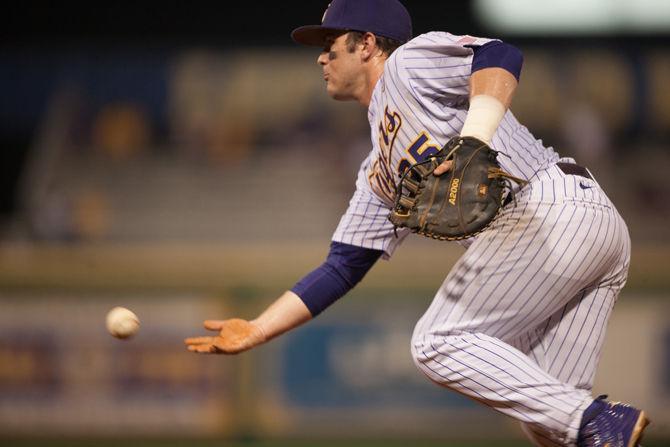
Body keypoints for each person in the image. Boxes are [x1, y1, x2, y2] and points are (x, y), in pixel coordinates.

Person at [185, 1, 649, 445]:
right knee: (553, 428)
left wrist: (474, 140)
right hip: (587, 232)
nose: (321, 57)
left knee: (437, 343)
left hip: (549, 209)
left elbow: (499, 54)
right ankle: (592, 422)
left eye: (332, 42)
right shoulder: (378, 170)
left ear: (366, 44)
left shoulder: (406, 67)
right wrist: (260, 327)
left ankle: (595, 418)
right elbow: (345, 263)